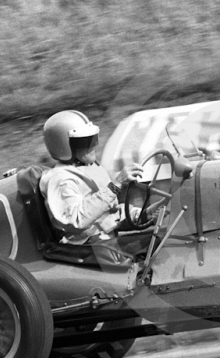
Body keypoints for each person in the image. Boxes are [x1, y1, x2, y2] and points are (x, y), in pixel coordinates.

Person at [39, 110, 149, 266]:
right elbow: (76, 219)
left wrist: (142, 214)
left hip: (104, 242)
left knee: (163, 237)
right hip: (86, 250)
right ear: (64, 146)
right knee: (157, 243)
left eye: (92, 139)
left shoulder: (90, 168)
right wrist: (116, 185)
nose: (92, 146)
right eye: (84, 142)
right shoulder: (61, 179)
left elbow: (109, 214)